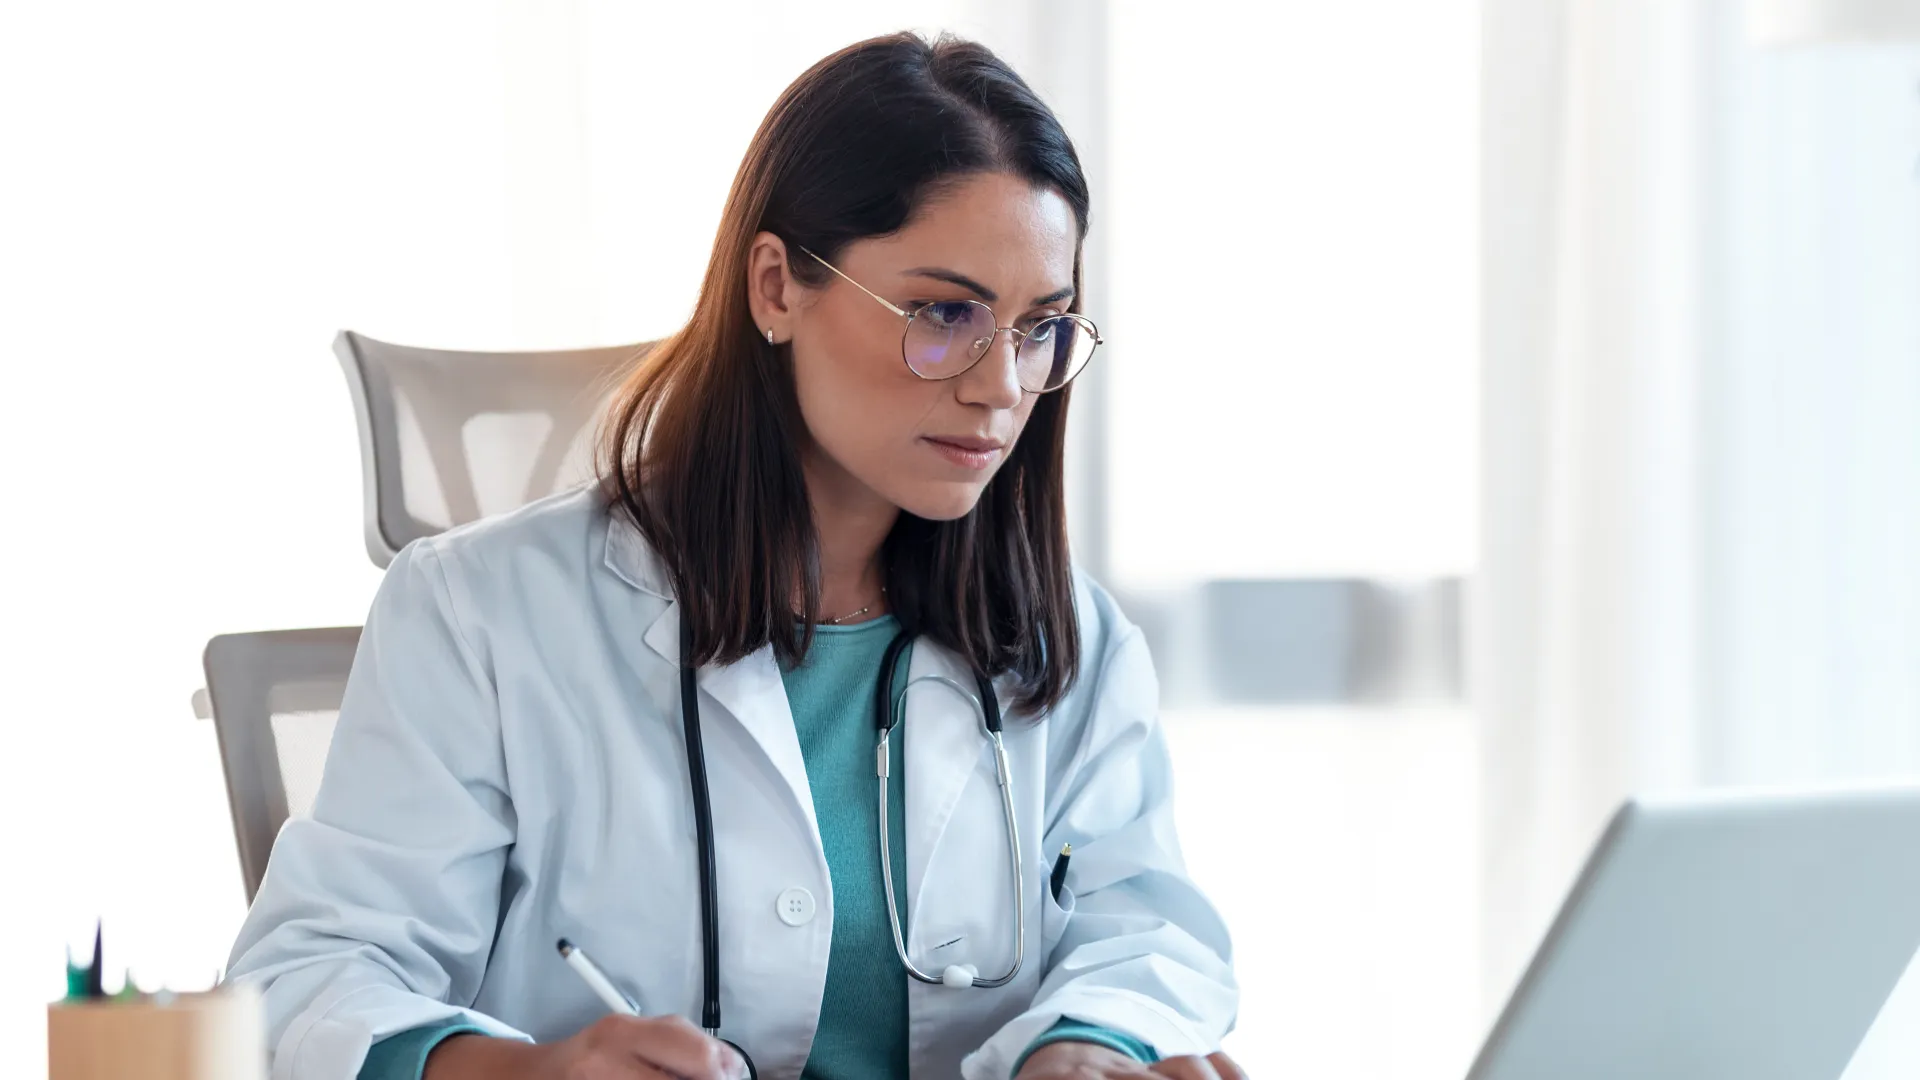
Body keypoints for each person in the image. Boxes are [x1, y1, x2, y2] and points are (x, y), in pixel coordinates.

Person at [226, 30, 1240, 1080]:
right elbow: (312, 976)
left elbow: (1146, 936)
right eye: (945, 314)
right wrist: (521, 1072)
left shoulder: (1066, 637)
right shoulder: (478, 613)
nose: (1002, 386)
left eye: (1041, 328)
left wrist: (1085, 1047)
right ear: (774, 287)